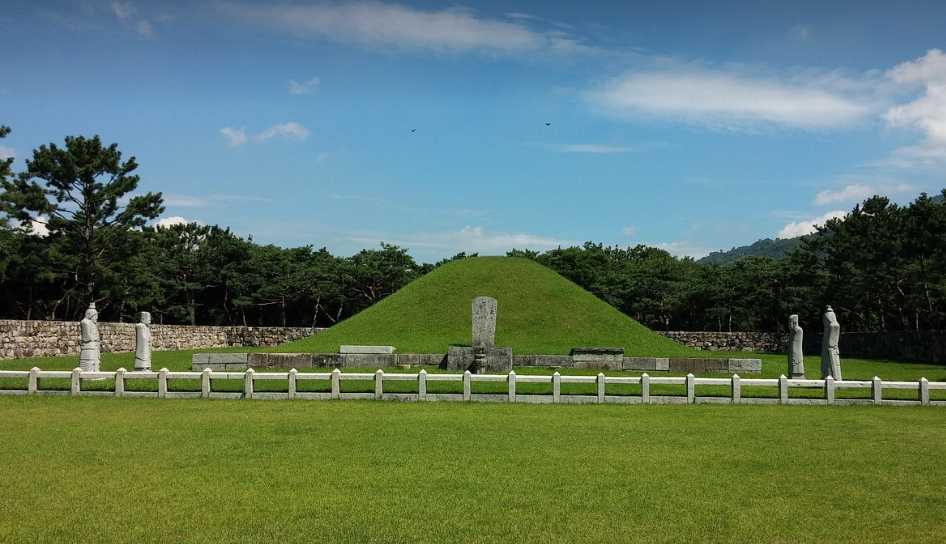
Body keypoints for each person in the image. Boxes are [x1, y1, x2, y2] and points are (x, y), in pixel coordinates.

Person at [821, 305, 842, 380]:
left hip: (831, 350)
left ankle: (833, 378)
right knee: (826, 365)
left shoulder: (833, 326)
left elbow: (832, 342)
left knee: (831, 366)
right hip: (827, 349)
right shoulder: (829, 327)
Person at [79, 303, 100, 372]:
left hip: (94, 345)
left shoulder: (93, 323)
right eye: (95, 316)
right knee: (89, 359)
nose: (96, 318)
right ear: (90, 315)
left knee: (95, 359)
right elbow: (87, 336)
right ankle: (88, 371)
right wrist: (93, 338)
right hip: (88, 345)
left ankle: (95, 370)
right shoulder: (85, 322)